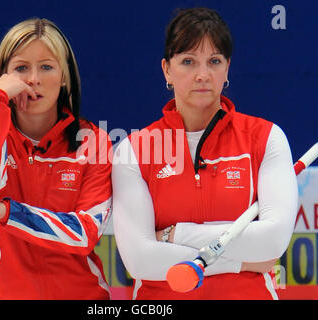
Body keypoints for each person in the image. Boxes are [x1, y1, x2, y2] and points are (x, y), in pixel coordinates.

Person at [112, 7, 298, 299]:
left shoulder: (266, 138)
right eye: (188, 61)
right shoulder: (133, 151)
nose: (202, 75)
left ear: (227, 69)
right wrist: (242, 261)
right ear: (167, 70)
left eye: (214, 61)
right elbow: (140, 261)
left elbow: (272, 243)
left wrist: (174, 236)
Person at [0, 18, 112, 299]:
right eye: (21, 68)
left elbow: (84, 234)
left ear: (64, 77)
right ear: (4, 76)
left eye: (46, 67)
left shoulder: (92, 142)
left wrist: (5, 213)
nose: (33, 79)